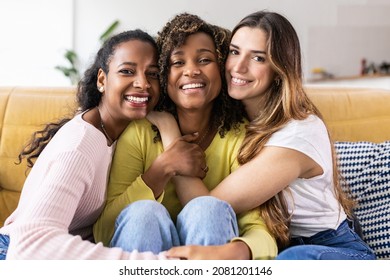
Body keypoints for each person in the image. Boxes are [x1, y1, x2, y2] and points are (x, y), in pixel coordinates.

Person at [152, 11, 376, 260]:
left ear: (279, 69)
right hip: (275, 247)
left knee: (291, 261)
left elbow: (206, 206)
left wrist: (169, 131)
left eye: (258, 58)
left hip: (329, 248)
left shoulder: (298, 133)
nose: (238, 67)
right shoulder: (234, 118)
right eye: (235, 52)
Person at [93, 13, 277, 260]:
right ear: (164, 75)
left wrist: (238, 250)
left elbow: (260, 231)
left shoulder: (241, 137)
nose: (191, 71)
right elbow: (104, 229)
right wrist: (160, 170)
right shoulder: (140, 132)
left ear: (222, 68)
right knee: (143, 214)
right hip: (143, 254)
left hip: (212, 254)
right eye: (178, 63)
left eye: (204, 60)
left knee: (207, 209)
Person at [0, 29, 169, 260]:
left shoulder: (121, 131)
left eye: (153, 74)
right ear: (102, 79)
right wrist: (156, 265)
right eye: (127, 71)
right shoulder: (81, 143)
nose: (143, 83)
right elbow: (32, 243)